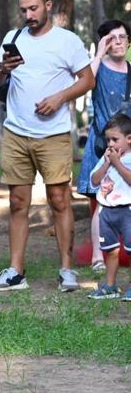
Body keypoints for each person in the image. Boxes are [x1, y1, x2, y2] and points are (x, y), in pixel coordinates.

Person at [0, 0, 95, 292]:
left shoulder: (67, 41)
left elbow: (87, 79)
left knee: (59, 201)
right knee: (17, 202)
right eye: (23, 10)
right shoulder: (13, 38)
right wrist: (2, 69)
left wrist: (59, 98)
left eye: (33, 8)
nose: (28, 15)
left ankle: (66, 270)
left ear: (48, 5)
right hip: (16, 132)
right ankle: (16, 272)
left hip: (54, 134)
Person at [78, 20, 131, 274]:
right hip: (102, 145)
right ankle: (98, 256)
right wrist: (98, 54)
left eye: (122, 37)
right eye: (112, 38)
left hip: (129, 147)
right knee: (101, 201)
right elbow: (84, 81)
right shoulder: (98, 68)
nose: (118, 41)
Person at [86, 114, 131, 300]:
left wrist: (117, 163)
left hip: (127, 211)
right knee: (110, 250)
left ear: (129, 139)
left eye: (115, 139)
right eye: (108, 140)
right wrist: (106, 163)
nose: (110, 144)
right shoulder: (106, 158)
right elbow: (94, 181)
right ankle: (110, 286)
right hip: (107, 211)